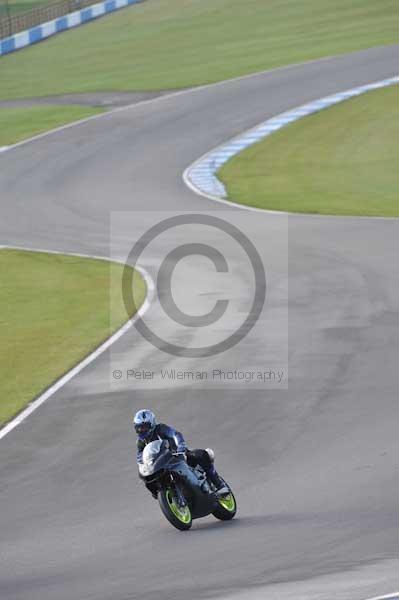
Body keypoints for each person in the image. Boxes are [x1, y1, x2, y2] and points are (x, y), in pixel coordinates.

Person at [134, 409, 228, 494]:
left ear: (152, 424)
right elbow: (140, 458)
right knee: (148, 480)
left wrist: (180, 448)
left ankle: (219, 484)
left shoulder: (161, 428)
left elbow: (175, 435)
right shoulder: (140, 442)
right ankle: (161, 493)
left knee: (200, 454)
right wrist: (143, 468)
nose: (141, 430)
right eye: (138, 427)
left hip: (175, 455)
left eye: (144, 427)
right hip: (160, 464)